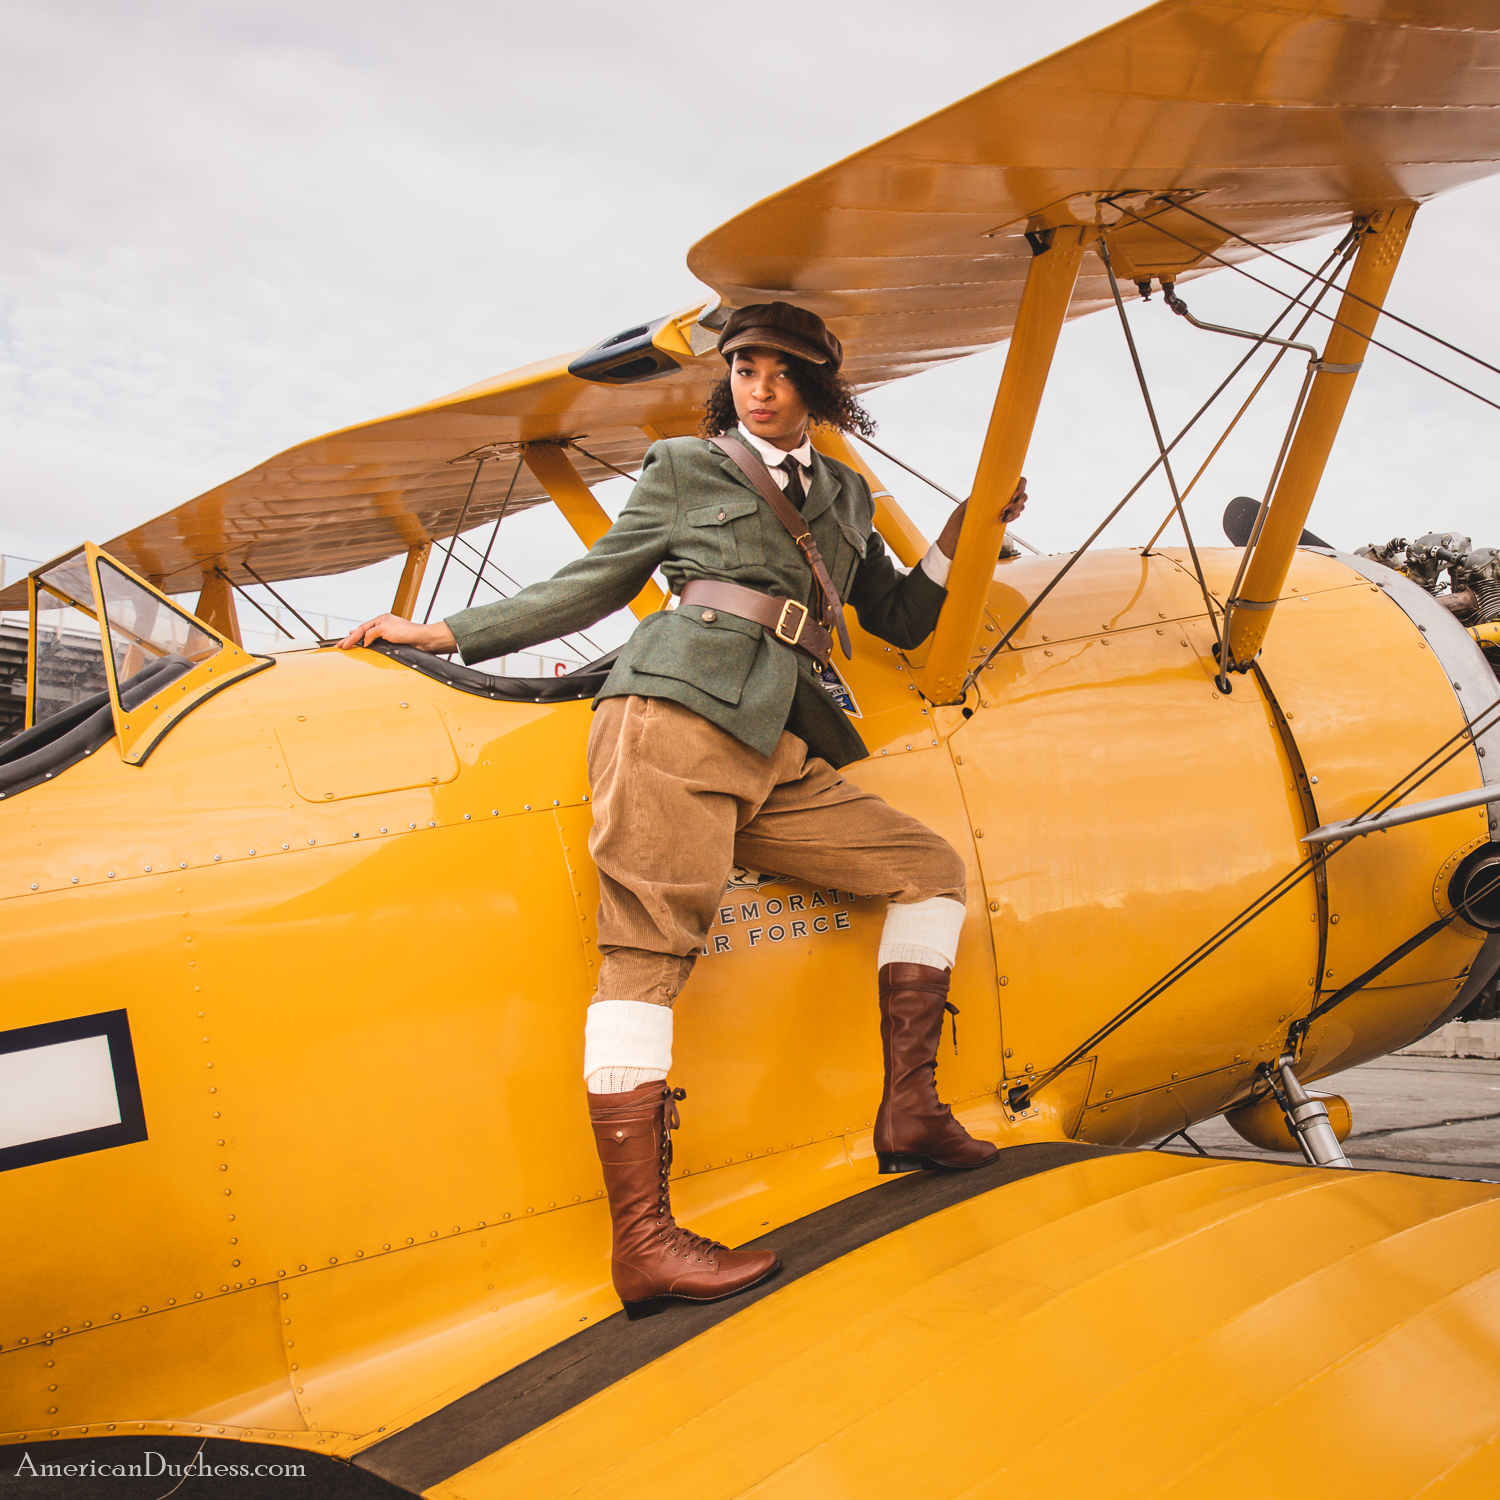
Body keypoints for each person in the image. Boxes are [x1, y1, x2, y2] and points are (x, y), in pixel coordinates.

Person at [340, 302, 1027, 1319]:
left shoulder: (843, 494)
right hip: (669, 716)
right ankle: (646, 1244)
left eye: (783, 372)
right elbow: (593, 583)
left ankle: (913, 1114)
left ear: (820, 389)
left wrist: (963, 538)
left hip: (776, 741)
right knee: (649, 953)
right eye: (745, 366)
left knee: (926, 871)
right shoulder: (684, 468)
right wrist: (441, 632)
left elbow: (894, 616)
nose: (759, 385)